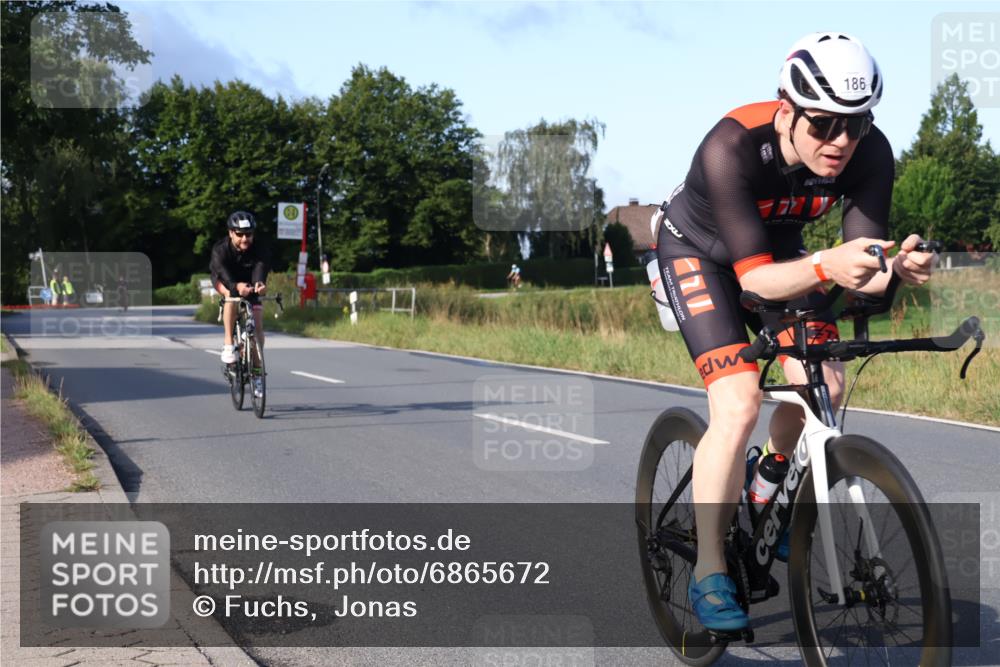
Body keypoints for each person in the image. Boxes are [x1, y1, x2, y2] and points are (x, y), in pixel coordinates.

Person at [652, 32, 936, 633]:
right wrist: (829, 263)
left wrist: (894, 268)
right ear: (787, 110)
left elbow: (862, 277)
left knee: (825, 385)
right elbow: (755, 286)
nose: (840, 142)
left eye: (855, 126)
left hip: (778, 252)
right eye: (824, 125)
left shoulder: (870, 152)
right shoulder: (732, 145)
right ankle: (709, 570)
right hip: (699, 253)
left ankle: (769, 476)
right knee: (737, 402)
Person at [210, 211, 270, 397]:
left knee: (257, 328)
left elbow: (261, 268)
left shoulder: (259, 248)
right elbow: (222, 272)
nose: (245, 238)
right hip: (226, 281)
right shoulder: (220, 250)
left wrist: (259, 284)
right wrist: (235, 287)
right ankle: (229, 343)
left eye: (249, 234)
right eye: (240, 234)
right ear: (230, 233)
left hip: (249, 284)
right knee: (231, 296)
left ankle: (257, 374)